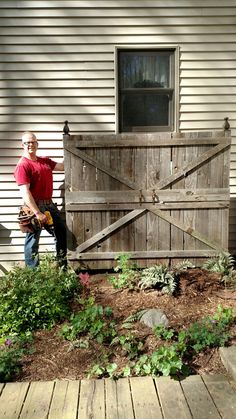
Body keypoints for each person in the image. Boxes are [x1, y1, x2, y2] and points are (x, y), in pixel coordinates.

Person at [14, 131, 67, 268]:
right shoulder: (23, 165)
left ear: (37, 143)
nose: (30, 144)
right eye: (27, 142)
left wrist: (71, 151)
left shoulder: (45, 161)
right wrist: (37, 213)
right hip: (34, 207)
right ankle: (33, 274)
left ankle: (62, 266)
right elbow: (25, 192)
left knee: (61, 233)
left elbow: (63, 167)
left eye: (33, 142)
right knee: (32, 241)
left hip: (49, 205)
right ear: (23, 145)